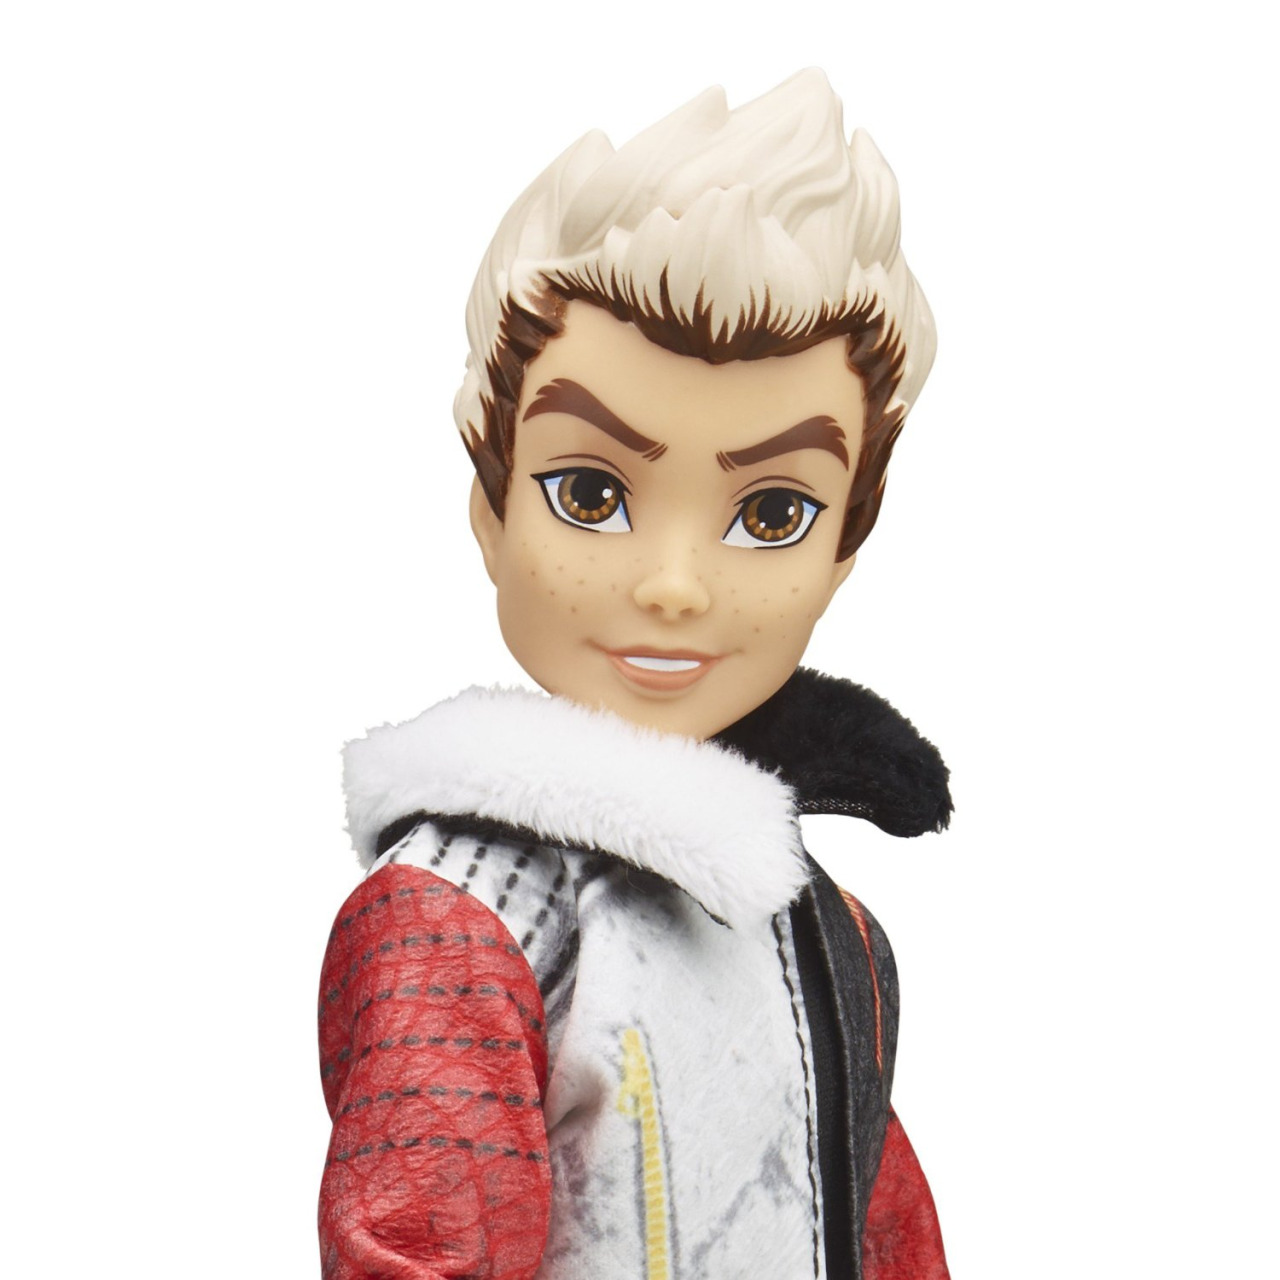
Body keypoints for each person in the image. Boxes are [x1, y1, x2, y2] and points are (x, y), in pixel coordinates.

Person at [319, 69, 952, 1279]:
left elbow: (888, 1235)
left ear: (841, 552)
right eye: (589, 491)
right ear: (489, 511)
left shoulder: (825, 928)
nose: (672, 583)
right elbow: (416, 1249)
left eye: (771, 512)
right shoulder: (467, 916)